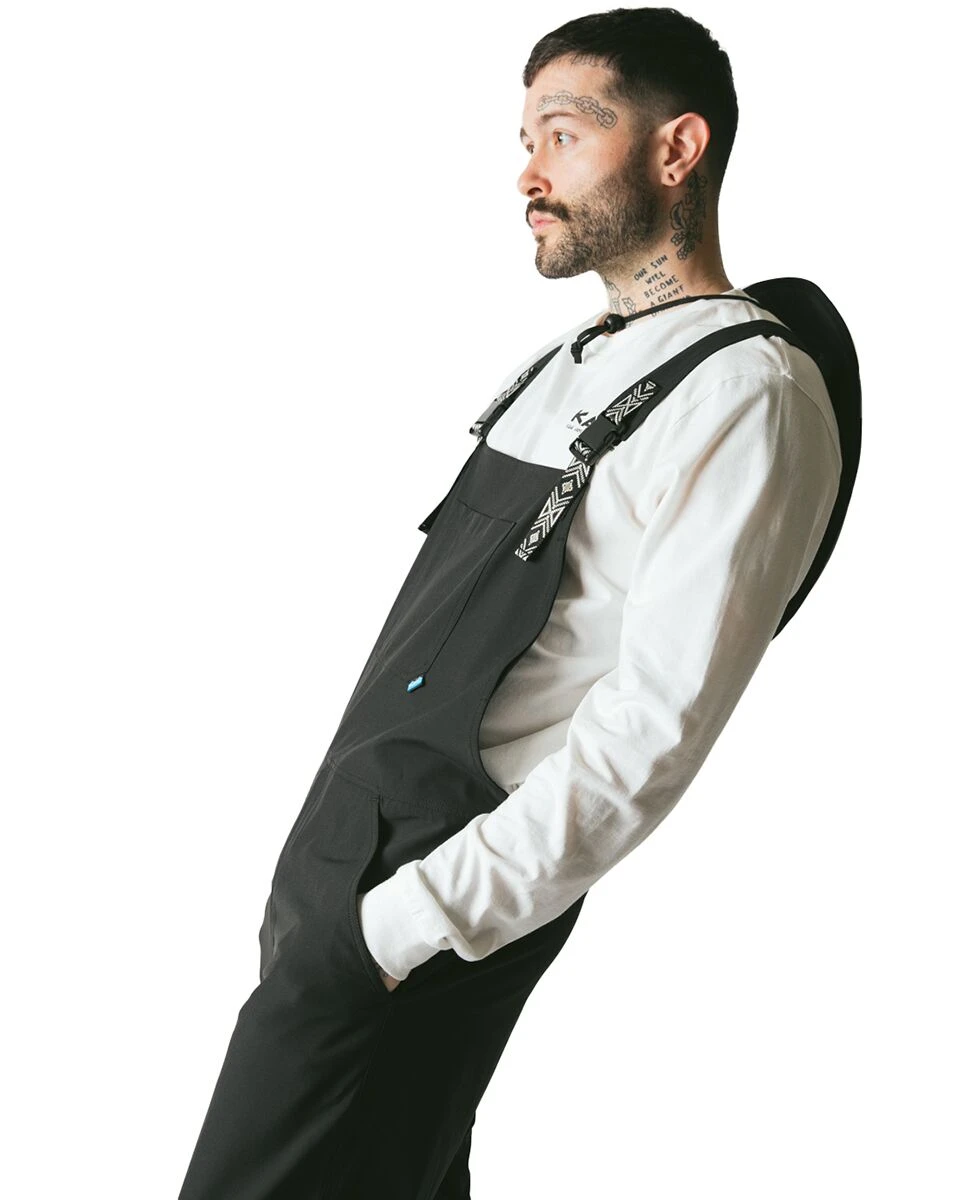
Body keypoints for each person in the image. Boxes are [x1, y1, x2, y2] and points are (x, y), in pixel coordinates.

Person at [177, 8, 844, 1198]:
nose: (529, 174)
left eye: (564, 135)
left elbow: (652, 734)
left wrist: (400, 929)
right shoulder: (563, 365)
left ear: (677, 149)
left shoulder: (745, 392)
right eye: (525, 139)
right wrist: (330, 908)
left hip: (427, 904)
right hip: (341, 871)